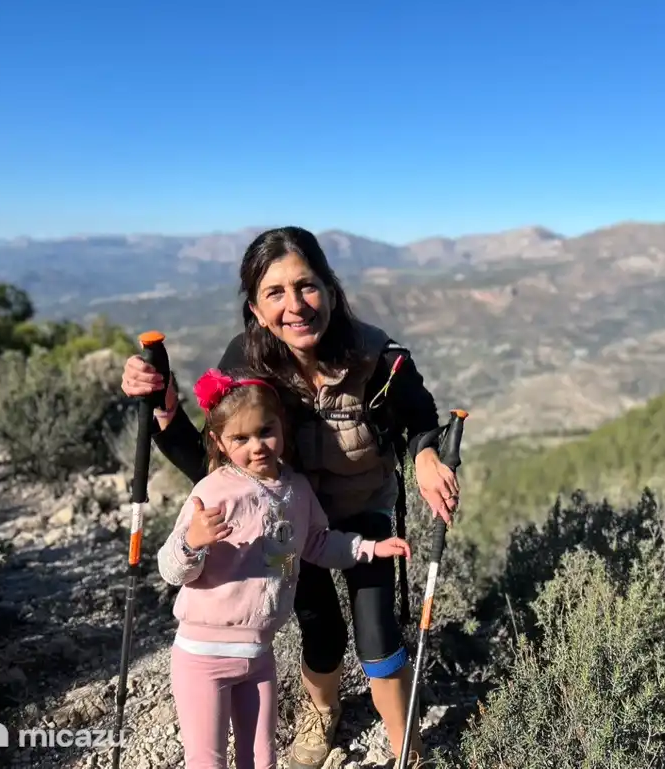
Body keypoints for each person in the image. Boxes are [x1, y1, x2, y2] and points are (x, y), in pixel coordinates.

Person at [121, 226, 460, 769]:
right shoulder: (245, 366)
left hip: (361, 508)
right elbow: (215, 460)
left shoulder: (380, 357)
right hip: (288, 520)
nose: (295, 305)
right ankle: (321, 715)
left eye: (306, 286)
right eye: (274, 293)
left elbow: (420, 415)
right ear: (255, 310)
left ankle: (404, 747)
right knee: (318, 619)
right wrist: (161, 407)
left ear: (330, 288)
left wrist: (425, 458)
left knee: (376, 628)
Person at [158, 367, 411, 769]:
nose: (256, 446)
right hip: (202, 655)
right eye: (240, 438)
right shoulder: (211, 492)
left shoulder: (296, 488)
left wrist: (368, 548)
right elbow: (172, 570)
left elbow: (317, 543)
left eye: (265, 431)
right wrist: (192, 542)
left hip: (259, 654)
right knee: (207, 760)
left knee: (262, 758)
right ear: (218, 442)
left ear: (283, 427)